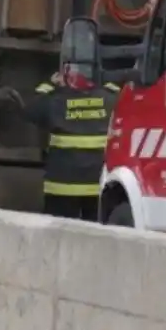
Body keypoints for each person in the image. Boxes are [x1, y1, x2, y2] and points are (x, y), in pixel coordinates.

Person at [24, 65, 120, 221]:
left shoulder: (55, 100)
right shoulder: (111, 98)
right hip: (98, 186)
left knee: (59, 233)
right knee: (97, 232)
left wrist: (50, 85)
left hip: (62, 187)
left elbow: (30, 110)